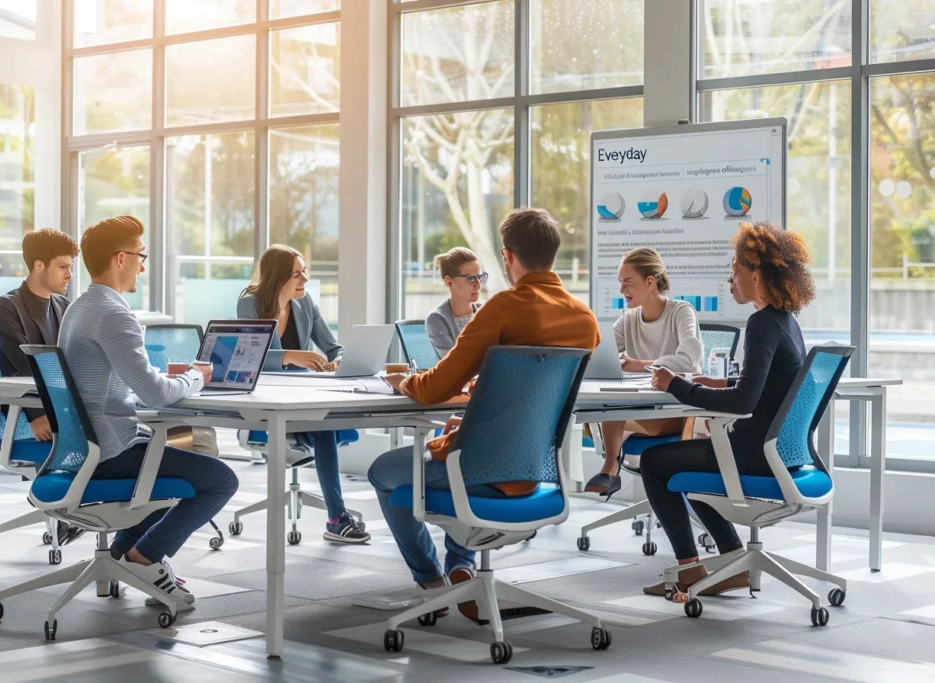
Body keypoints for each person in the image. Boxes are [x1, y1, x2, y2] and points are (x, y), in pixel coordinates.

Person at [369, 208, 601, 622]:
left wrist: (405, 382)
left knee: (384, 471)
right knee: (458, 451)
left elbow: (435, 388)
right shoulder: (584, 319)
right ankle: (462, 569)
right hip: (537, 472)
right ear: (553, 252)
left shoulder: (503, 307)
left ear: (508, 256)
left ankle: (432, 581)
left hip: (481, 469)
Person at [59, 215, 239, 604]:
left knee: (179, 465)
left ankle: (125, 554)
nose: (143, 265)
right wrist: (198, 376)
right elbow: (156, 395)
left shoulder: (79, 308)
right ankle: (144, 557)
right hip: (113, 451)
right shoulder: (114, 313)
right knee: (221, 480)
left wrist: (160, 379)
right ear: (120, 258)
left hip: (87, 449)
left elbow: (123, 381)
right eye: (141, 256)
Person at [642, 222, 815, 596]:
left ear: (756, 275)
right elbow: (760, 387)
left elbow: (744, 403)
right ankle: (733, 561)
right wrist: (719, 383)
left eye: (735, 272)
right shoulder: (785, 323)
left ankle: (689, 569)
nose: (729, 280)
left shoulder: (761, 324)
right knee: (693, 473)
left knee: (654, 463)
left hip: (751, 454)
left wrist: (677, 385)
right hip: (779, 453)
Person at [237, 245, 370, 544]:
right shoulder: (250, 305)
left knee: (323, 422)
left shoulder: (304, 302)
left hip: (303, 396)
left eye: (304, 272)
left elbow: (333, 346)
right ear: (277, 277)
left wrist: (339, 360)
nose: (305, 280)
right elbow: (250, 359)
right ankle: (337, 517)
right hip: (264, 403)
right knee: (324, 427)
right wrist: (289, 357)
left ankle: (336, 518)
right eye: (297, 274)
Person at [0, 229, 85, 548]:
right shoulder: (6, 306)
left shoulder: (64, 305)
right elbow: (27, 365)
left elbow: (72, 363)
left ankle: (73, 508)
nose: (70, 274)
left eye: (71, 266)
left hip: (64, 413)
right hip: (26, 417)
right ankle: (66, 507)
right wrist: (37, 414)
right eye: (63, 266)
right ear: (39, 265)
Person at [583, 248, 703, 497]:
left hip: (675, 409)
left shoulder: (681, 312)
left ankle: (610, 466)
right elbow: (597, 350)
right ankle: (611, 466)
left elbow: (690, 362)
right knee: (607, 402)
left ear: (650, 282)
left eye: (628, 283)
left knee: (611, 409)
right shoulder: (628, 319)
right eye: (620, 283)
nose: (621, 291)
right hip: (638, 408)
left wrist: (639, 364)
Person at [426, 247, 486, 358]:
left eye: (479, 277)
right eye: (471, 279)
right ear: (449, 282)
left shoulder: (487, 309)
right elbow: (453, 364)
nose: (478, 285)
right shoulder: (437, 319)